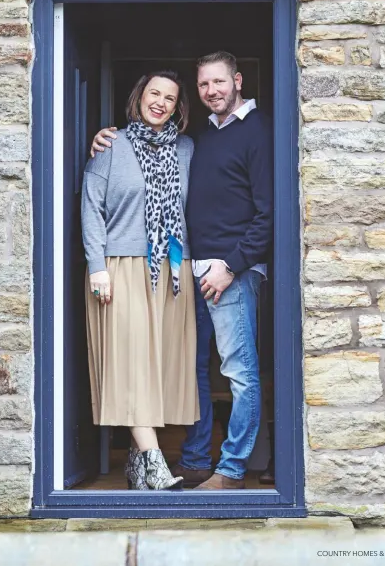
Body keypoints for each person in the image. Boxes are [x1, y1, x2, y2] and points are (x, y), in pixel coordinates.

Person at [90, 52, 273, 490]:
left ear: (238, 81)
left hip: (229, 271)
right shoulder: (196, 139)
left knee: (238, 371)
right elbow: (99, 202)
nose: (212, 91)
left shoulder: (260, 131)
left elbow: (269, 213)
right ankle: (192, 459)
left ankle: (230, 470)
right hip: (183, 270)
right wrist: (103, 137)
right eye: (204, 85)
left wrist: (231, 266)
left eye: (219, 82)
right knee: (190, 368)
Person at [81, 70, 199, 491]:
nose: (161, 102)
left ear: (177, 107)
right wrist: (97, 266)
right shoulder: (112, 145)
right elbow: (91, 206)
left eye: (170, 97)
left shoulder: (185, 149)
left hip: (171, 270)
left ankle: (135, 464)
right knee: (130, 362)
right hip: (121, 266)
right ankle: (155, 463)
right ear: (139, 97)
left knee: (157, 367)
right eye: (154, 93)